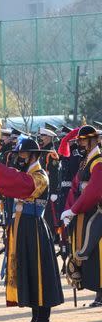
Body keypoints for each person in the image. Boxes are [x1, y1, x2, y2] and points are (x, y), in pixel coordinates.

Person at [0, 137, 63, 322]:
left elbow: (20, 183)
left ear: (33, 156)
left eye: (22, 154)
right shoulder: (26, 173)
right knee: (28, 269)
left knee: (38, 270)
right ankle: (35, 315)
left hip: (34, 227)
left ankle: (43, 316)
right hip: (23, 226)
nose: (20, 158)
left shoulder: (40, 176)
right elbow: (6, 182)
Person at [61, 125, 102, 307]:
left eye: (83, 140)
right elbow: (76, 186)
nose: (80, 143)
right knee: (91, 253)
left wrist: (75, 209)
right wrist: (70, 209)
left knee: (97, 250)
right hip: (86, 209)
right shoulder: (86, 160)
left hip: (97, 209)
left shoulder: (97, 161)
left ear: (92, 140)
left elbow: (94, 190)